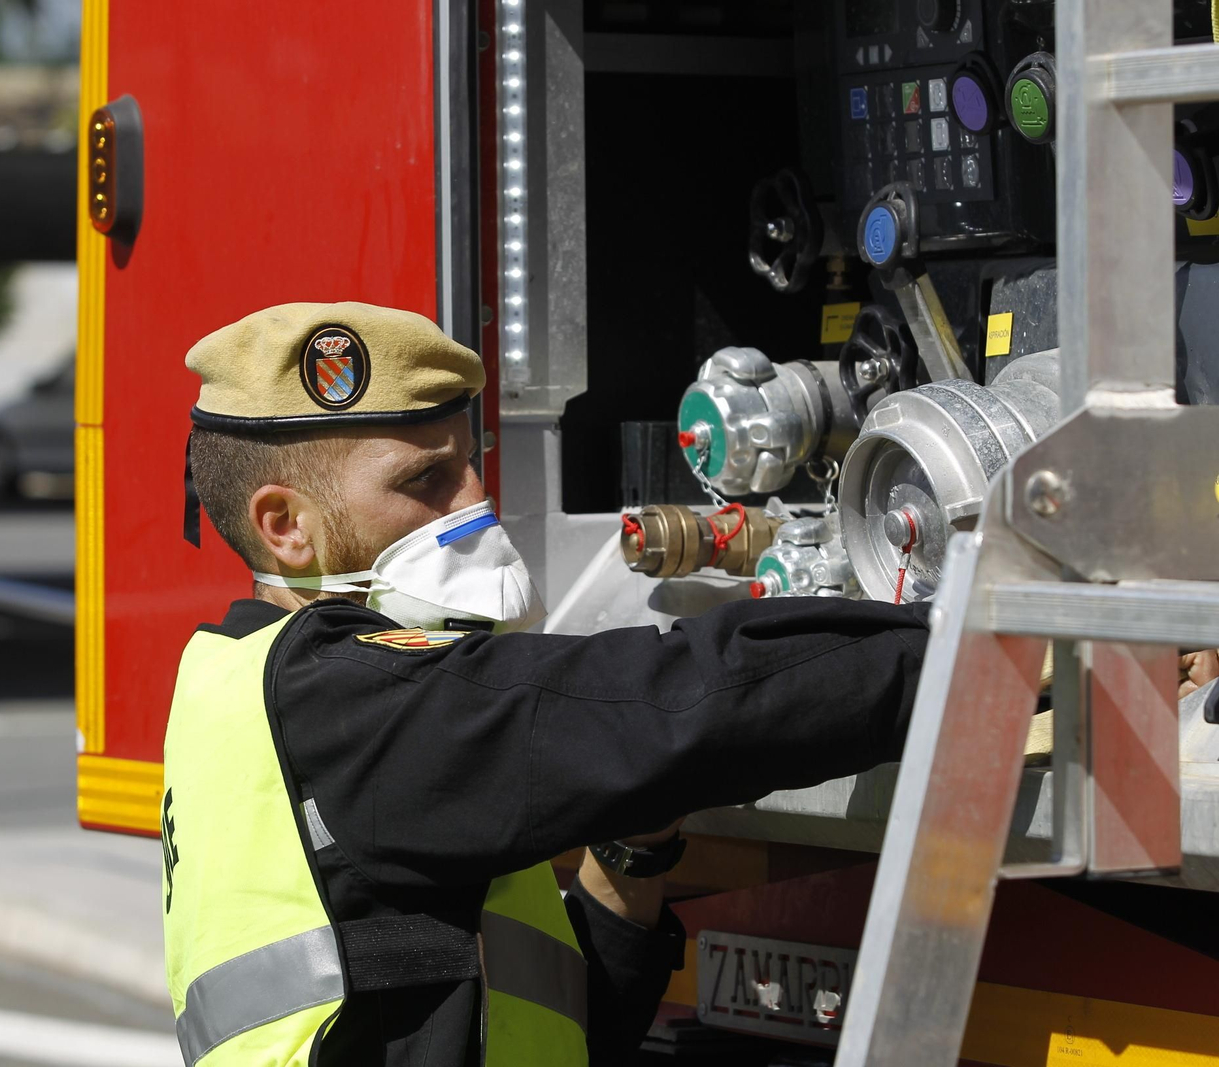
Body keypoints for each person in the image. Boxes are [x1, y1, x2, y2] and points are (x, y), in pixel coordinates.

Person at [162, 302, 932, 1067]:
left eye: (472, 462)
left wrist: (636, 843)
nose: (474, 502)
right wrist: (960, 646)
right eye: (426, 479)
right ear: (285, 526)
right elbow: (681, 702)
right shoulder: (345, 702)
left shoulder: (233, 682)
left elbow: (565, 1024)